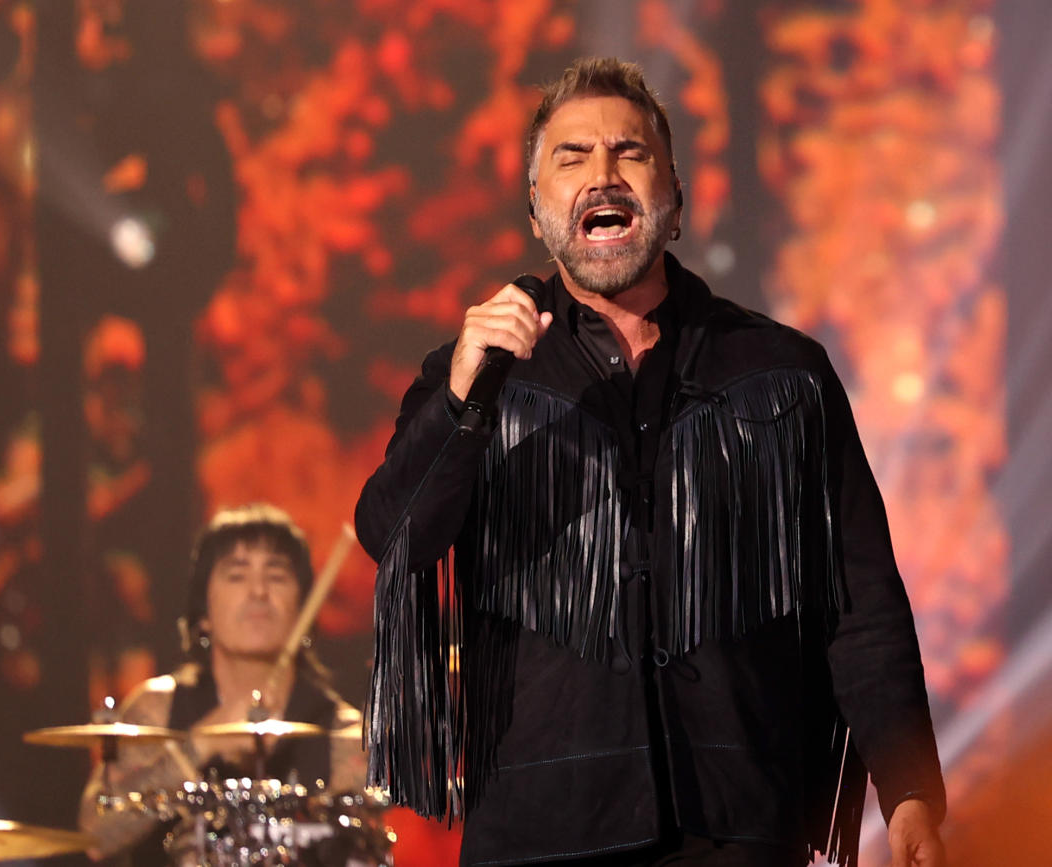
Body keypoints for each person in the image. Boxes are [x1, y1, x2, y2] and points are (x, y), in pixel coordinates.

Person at [355, 57, 946, 867]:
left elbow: (862, 601)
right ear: (537, 210)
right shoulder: (479, 374)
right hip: (540, 828)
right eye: (572, 157)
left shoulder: (780, 373)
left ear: (675, 205)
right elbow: (393, 536)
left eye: (629, 154)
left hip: (737, 823)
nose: (603, 174)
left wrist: (910, 789)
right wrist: (462, 397)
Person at [78, 503, 364, 862]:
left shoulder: (345, 735)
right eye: (236, 575)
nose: (259, 591)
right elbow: (95, 837)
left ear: (302, 609)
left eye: (276, 576)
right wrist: (198, 747)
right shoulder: (156, 709)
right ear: (203, 615)